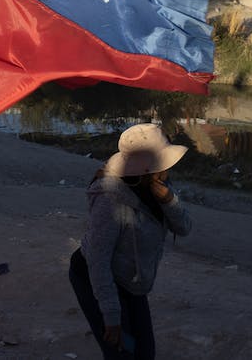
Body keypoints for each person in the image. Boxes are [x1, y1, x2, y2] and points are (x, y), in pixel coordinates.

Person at [68, 123, 192, 359]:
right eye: (163, 163)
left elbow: (184, 228)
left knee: (144, 353)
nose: (168, 169)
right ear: (146, 169)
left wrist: (169, 201)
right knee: (122, 352)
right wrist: (111, 314)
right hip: (94, 279)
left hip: (131, 282)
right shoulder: (110, 199)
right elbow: (97, 260)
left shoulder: (161, 187)